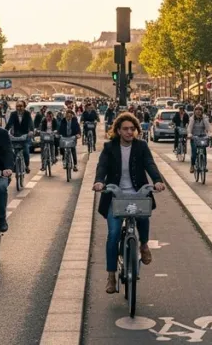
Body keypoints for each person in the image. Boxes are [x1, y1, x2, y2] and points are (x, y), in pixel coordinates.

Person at [91, 112, 165, 294]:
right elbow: (102, 165)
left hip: (137, 193)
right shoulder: (109, 147)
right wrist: (99, 181)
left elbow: (150, 164)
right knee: (114, 234)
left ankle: (144, 244)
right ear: (118, 130)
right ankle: (111, 276)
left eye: (132, 129)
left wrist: (157, 180)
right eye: (125, 129)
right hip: (115, 196)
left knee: (144, 217)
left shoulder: (141, 146)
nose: (129, 132)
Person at [5, 101, 34, 174]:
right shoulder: (13, 114)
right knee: (13, 152)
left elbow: (30, 123)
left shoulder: (27, 114)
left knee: (26, 151)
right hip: (15, 136)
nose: (19, 108)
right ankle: (15, 165)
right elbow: (9, 124)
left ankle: (27, 166)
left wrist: (31, 131)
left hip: (25, 135)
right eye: (17, 106)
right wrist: (4, 132)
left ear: (24, 107)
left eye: (21, 106)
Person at [186, 105, 212, 174]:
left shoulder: (204, 118)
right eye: (196, 110)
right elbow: (189, 128)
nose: (198, 111)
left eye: (200, 110)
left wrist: (210, 134)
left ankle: (204, 166)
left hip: (202, 137)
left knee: (204, 151)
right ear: (194, 111)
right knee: (194, 152)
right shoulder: (192, 119)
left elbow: (208, 128)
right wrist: (189, 134)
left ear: (202, 111)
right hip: (194, 137)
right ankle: (192, 165)